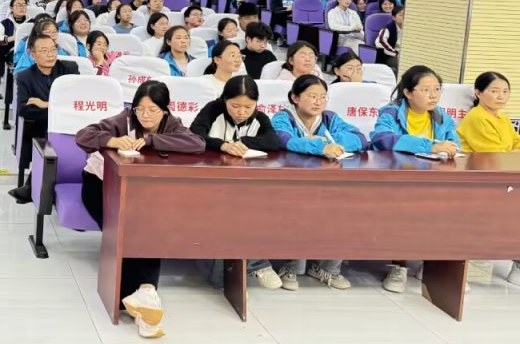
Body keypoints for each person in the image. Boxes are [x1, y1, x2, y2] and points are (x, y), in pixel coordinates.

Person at [77, 80, 206, 338]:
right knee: (126, 235)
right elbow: (84, 136)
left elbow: (197, 144)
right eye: (140, 109)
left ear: (165, 110)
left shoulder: (172, 124)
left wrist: (150, 140)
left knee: (149, 232)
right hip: (101, 187)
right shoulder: (123, 120)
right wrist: (113, 140)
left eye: (153, 110)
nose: (145, 115)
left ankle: (143, 302)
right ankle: (146, 297)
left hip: (141, 192)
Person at [270, 75, 367, 290]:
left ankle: (327, 268)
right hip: (291, 183)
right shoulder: (283, 118)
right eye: (312, 96)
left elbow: (360, 139)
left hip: (327, 182)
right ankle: (291, 266)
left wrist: (330, 142)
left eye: (323, 97)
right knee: (298, 213)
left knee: (344, 209)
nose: (319, 102)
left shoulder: (330, 118)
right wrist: (320, 147)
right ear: (295, 98)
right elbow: (285, 141)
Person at [370, 65, 460, 293]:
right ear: (408, 93)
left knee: (454, 207)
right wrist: (429, 146)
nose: (433, 95)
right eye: (426, 90)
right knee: (406, 210)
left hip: (433, 179)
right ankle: (399, 265)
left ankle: (433, 264)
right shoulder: (391, 112)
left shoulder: (442, 117)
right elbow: (382, 138)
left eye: (437, 89)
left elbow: (454, 143)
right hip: (396, 178)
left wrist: (449, 148)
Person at [190, 76, 283, 289]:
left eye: (248, 107)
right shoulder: (213, 109)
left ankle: (256, 263)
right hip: (209, 183)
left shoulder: (259, 117)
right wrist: (222, 145)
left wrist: (240, 142)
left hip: (244, 184)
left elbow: (273, 141)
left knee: (256, 209)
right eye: (235, 106)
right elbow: (194, 136)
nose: (241, 112)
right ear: (224, 100)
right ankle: (253, 264)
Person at [455, 72, 520, 285]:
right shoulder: (477, 117)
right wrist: (512, 153)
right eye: (494, 91)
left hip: (501, 176)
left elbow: (515, 144)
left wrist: (512, 152)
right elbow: (496, 153)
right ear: (478, 93)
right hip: (477, 180)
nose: (501, 96)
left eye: (505, 91)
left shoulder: (502, 118)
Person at [9, 33, 80, 203]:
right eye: (44, 51)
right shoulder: (25, 77)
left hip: (73, 123)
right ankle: (38, 190)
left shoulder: (70, 69)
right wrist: (56, 112)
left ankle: (31, 188)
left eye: (53, 49)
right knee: (51, 136)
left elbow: (75, 101)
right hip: (43, 126)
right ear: (33, 55)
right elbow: (24, 110)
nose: (50, 54)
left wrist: (46, 104)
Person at [376, 5, 404, 73]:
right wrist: (395, 53)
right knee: (402, 65)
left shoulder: (411, 29)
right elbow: (381, 41)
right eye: (401, 15)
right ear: (394, 17)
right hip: (390, 55)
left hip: (404, 54)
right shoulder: (388, 28)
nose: (404, 17)